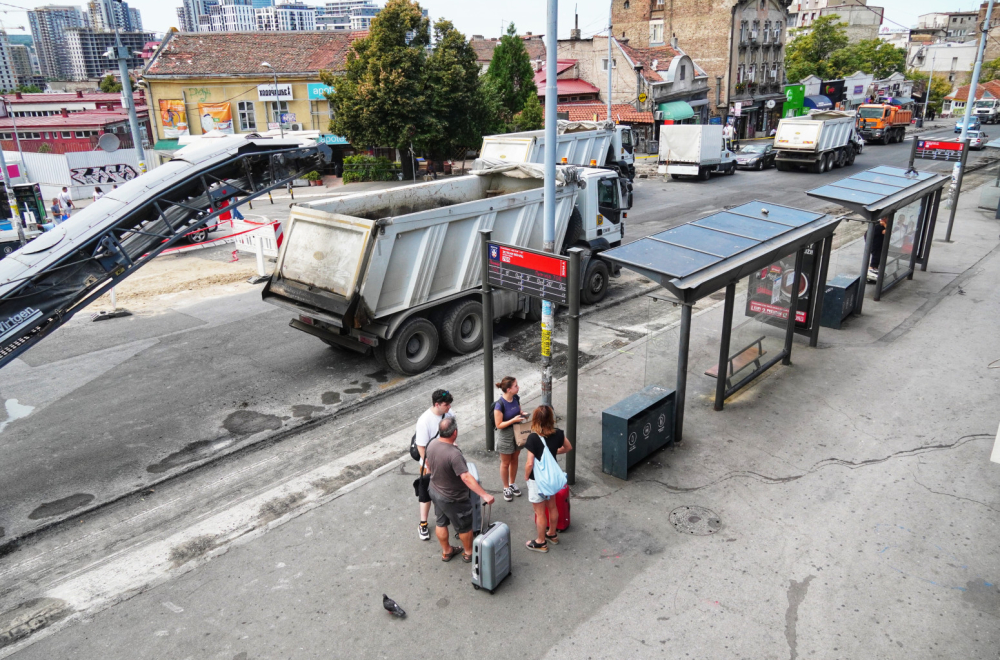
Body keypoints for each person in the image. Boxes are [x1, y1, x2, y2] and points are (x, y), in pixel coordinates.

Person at [425, 417, 494, 562]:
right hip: (453, 498)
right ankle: (469, 553)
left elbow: (428, 464)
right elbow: (466, 477)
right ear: (454, 432)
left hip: (435, 491)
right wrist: (484, 495)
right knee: (464, 527)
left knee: (441, 522)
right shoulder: (454, 454)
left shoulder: (432, 444)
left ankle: (447, 551)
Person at [523, 405, 572, 553]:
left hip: (537, 480)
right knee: (552, 507)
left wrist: (526, 476)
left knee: (539, 512)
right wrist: (554, 452)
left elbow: (530, 462)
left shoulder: (533, 438)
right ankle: (552, 533)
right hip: (550, 479)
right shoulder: (558, 434)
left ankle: (540, 542)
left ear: (536, 420)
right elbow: (568, 447)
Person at [414, 389, 454, 541]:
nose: (449, 407)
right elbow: (421, 446)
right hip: (429, 464)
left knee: (447, 490)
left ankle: (446, 517)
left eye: (450, 404)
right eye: (446, 404)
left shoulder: (449, 414)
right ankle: (423, 523)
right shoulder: (424, 420)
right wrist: (428, 465)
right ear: (437, 404)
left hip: (446, 461)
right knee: (426, 494)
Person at [493, 376, 526, 502]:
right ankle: (506, 487)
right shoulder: (499, 405)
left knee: (515, 458)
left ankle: (512, 483)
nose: (518, 387)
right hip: (506, 435)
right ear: (508, 389)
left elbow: (519, 409)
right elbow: (498, 425)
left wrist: (522, 414)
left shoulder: (516, 398)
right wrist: (513, 420)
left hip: (517, 432)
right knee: (505, 462)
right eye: (516, 386)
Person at [867, 217, 887, 283]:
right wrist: (885, 225)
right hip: (876, 245)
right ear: (884, 219)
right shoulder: (879, 226)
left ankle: (873, 271)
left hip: (877, 245)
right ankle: (870, 275)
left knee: (876, 259)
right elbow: (888, 232)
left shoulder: (878, 225)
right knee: (875, 259)